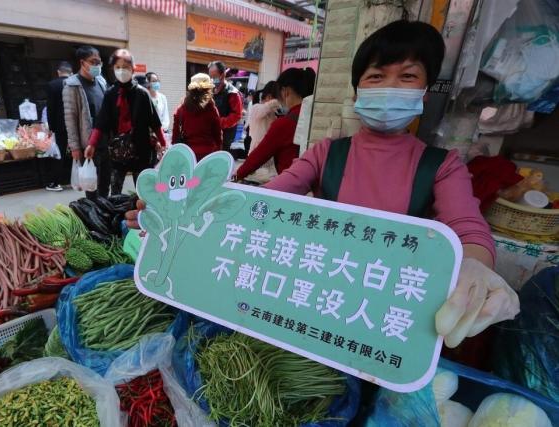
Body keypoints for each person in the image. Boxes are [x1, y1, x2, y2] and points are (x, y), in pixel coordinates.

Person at [126, 21, 519, 349]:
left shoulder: (440, 165)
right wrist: (179, 205)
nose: (390, 88)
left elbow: (468, 228)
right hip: (318, 301)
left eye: (408, 76)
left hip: (385, 313)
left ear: (424, 87)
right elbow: (263, 200)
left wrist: (475, 268)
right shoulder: (328, 153)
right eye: (377, 77)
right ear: (357, 89)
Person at [84, 49, 166, 195]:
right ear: (113, 69)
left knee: (144, 191)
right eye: (118, 67)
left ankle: (143, 216)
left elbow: (155, 122)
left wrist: (163, 143)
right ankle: (117, 215)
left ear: (133, 69)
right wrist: (91, 144)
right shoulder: (110, 94)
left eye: (126, 67)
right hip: (117, 151)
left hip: (141, 150)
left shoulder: (142, 93)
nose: (122, 71)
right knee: (115, 191)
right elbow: (101, 122)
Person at [234, 68, 315, 181]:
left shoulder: (284, 123)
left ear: (286, 91)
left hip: (292, 183)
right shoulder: (314, 116)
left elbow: (259, 155)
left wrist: (236, 176)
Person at [62, 45, 109, 197]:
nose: (97, 65)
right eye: (93, 61)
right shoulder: (72, 85)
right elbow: (70, 119)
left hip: (106, 142)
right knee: (91, 186)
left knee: (105, 184)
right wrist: (75, 147)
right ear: (82, 63)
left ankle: (104, 214)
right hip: (88, 145)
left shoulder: (101, 82)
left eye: (99, 62)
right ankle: (93, 215)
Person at [171, 73, 222, 161]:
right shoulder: (212, 110)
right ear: (208, 90)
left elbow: (175, 136)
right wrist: (218, 150)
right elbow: (218, 135)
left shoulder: (181, 110)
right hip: (208, 156)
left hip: (187, 156)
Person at [44, 61, 73, 191]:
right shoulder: (75, 84)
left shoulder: (52, 85)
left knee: (59, 153)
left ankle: (55, 183)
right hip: (75, 125)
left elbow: (51, 108)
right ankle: (77, 180)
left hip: (60, 126)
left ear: (58, 72)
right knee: (78, 151)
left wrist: (51, 127)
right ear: (70, 72)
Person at [208, 61, 243, 151]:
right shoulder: (210, 90)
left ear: (222, 75)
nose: (212, 79)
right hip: (209, 136)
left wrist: (218, 123)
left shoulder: (233, 93)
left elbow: (237, 116)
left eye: (214, 77)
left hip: (225, 138)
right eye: (210, 77)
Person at [146, 72, 170, 136]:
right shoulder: (145, 97)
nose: (156, 83)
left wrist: (161, 129)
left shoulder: (162, 97)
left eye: (157, 81)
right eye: (153, 81)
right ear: (148, 83)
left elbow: (166, 117)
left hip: (162, 133)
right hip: (148, 134)